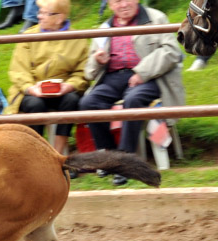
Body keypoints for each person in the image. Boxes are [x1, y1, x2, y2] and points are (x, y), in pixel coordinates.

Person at [78, 0, 184, 186]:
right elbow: (89, 72)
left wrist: (142, 72)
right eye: (117, 1)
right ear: (110, 5)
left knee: (134, 99)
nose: (123, 4)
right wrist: (98, 60)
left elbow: (171, 51)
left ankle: (126, 163)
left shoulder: (156, 18)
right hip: (112, 77)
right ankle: (110, 159)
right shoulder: (105, 28)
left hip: (150, 76)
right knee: (88, 103)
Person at [6, 0, 88, 158]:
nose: (39, 17)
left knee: (71, 100)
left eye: (45, 13)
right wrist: (31, 88)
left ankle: (58, 155)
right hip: (29, 90)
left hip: (61, 91)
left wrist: (69, 86)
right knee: (35, 104)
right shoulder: (29, 36)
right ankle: (38, 156)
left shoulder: (78, 39)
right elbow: (18, 70)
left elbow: (82, 72)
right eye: (40, 12)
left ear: (60, 17)